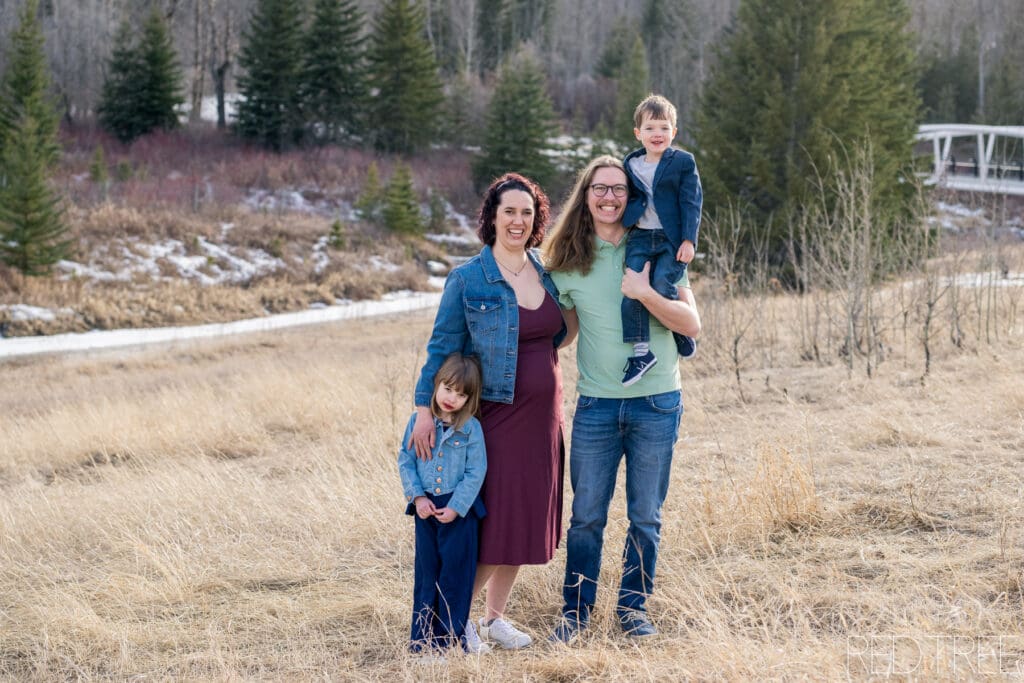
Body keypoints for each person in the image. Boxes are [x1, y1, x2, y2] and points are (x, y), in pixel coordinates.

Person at [545, 155, 701, 642]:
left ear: (633, 196)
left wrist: (645, 293)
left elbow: (692, 324)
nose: (609, 197)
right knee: (586, 517)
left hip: (657, 403)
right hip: (597, 406)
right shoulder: (569, 260)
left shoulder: (656, 245)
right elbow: (563, 334)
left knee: (645, 517)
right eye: (600, 188)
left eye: (619, 189)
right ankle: (575, 613)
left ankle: (633, 610)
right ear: (586, 195)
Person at [410, 173, 567, 652]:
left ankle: (494, 619)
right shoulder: (468, 278)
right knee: (496, 523)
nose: (518, 221)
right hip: (497, 419)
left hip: (544, 421)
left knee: (525, 519)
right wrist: (422, 410)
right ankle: (454, 621)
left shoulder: (546, 271)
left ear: (537, 219)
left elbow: (558, 333)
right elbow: (442, 347)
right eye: (509, 212)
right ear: (492, 218)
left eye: (527, 213)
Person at [398, 352, 487, 655]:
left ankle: (446, 641)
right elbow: (406, 460)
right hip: (425, 511)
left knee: (456, 576)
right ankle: (421, 641)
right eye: (447, 389)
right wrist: (418, 497)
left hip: (458, 513)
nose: (452, 398)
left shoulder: (471, 429)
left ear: (469, 399)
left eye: (461, 394)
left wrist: (457, 506)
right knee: (427, 574)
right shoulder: (418, 422)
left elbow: (476, 471)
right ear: (436, 385)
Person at [619, 93, 702, 386]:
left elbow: (691, 202)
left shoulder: (683, 162)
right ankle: (641, 353)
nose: (658, 134)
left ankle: (680, 330)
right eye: (650, 128)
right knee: (631, 289)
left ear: (674, 132)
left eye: (664, 128)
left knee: (662, 283)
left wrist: (689, 240)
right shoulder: (631, 164)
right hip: (640, 236)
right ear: (638, 133)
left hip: (671, 237)